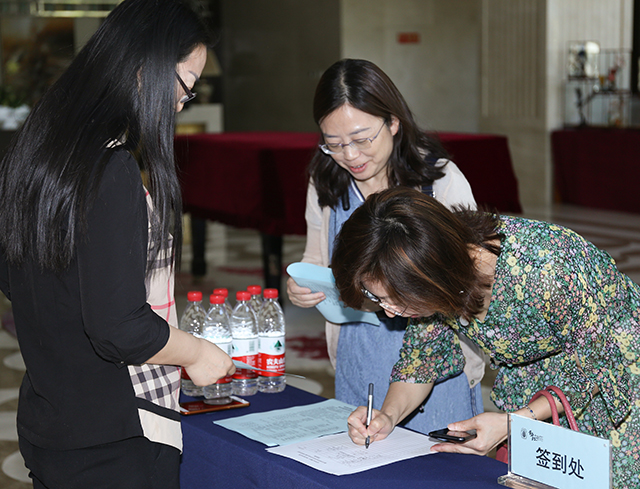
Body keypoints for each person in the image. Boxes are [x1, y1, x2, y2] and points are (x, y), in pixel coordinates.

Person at [0, 1, 235, 487]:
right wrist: (196, 353)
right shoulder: (110, 167)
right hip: (111, 436)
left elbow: (13, 273)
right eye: (185, 86)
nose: (178, 105)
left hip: (51, 414)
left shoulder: (39, 147)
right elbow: (118, 327)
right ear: (146, 68)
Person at [331, 187, 639, 489]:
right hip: (539, 396)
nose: (391, 312)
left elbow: (599, 365)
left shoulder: (547, 268)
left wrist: (513, 423)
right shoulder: (434, 273)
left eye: (395, 299)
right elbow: (421, 362)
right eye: (378, 298)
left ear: (429, 276)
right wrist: (387, 416)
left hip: (618, 384)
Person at [287, 58, 486, 434]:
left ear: (393, 122)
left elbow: (471, 279)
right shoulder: (327, 182)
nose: (350, 155)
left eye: (362, 139)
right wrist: (301, 286)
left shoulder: (439, 182)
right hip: (358, 352)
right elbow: (316, 256)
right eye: (334, 144)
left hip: (438, 357)